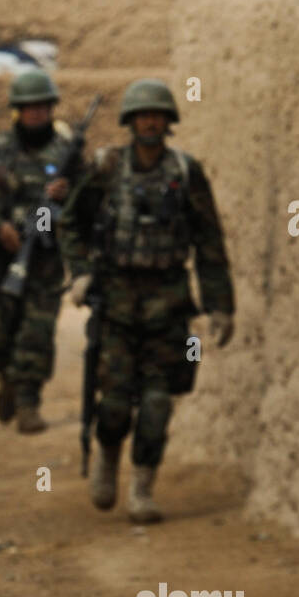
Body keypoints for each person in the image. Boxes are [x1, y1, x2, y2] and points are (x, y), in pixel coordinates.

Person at [58, 78, 234, 522]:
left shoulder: (185, 171)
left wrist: (220, 304)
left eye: (157, 115)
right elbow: (70, 222)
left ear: (168, 121)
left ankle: (142, 488)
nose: (150, 122)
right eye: (142, 115)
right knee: (115, 402)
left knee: (158, 402)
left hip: (169, 307)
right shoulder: (107, 167)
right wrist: (80, 273)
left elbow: (209, 241)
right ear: (131, 122)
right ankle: (108, 457)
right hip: (115, 304)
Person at [0, 67, 80, 432]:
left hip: (45, 261)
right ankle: (7, 376)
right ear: (17, 110)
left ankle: (28, 402)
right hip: (2, 258)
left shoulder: (67, 153)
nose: (36, 113)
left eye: (42, 106)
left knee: (36, 332)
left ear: (52, 108)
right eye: (28, 107)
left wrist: (68, 196)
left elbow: (89, 206)